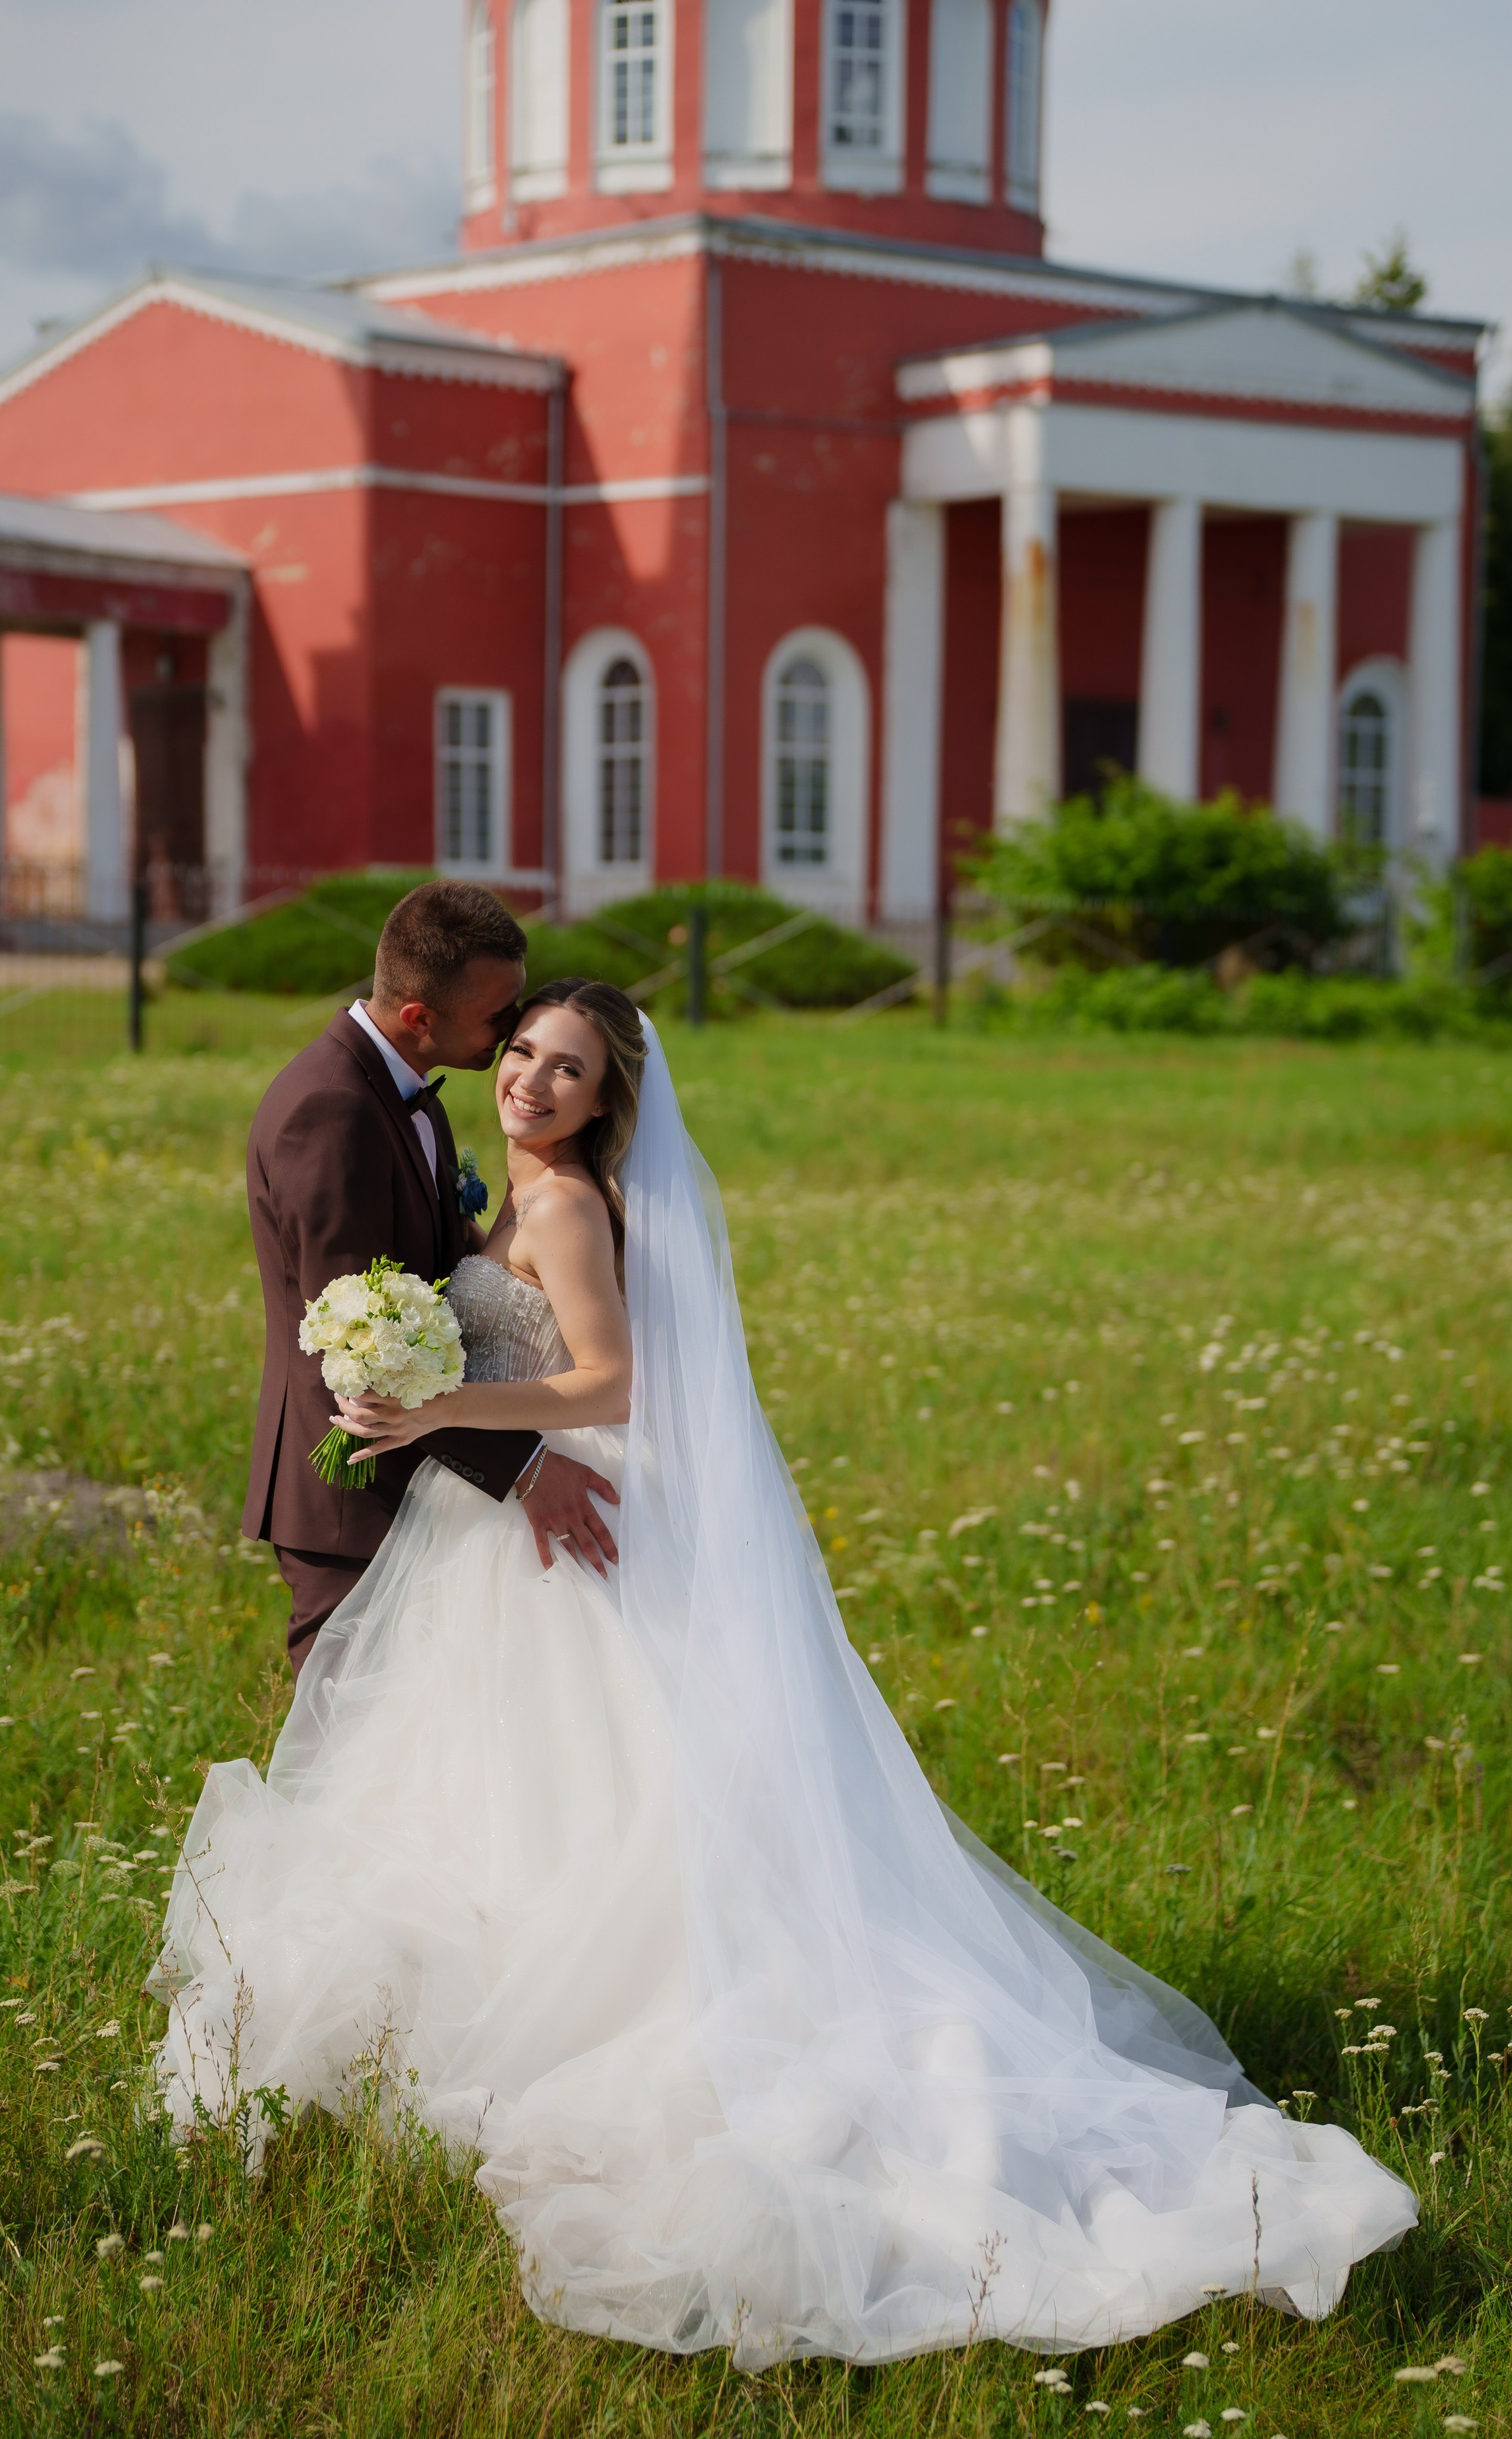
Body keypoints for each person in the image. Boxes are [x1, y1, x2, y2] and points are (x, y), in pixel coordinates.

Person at [156, 980, 1415, 2368]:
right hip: (495, 1534)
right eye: (521, 1052)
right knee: (499, 1789)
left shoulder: (566, 1206)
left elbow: (610, 1384)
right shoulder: (511, 1192)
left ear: (603, 1102)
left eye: (566, 1072)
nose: (530, 1082)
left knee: (581, 1806)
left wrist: (442, 1403)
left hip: (548, 1528)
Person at [241, 880, 619, 1677]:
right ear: (420, 1017)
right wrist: (527, 1466)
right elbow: (361, 1346)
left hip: (435, 1484)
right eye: (501, 1022)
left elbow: (442, 1273)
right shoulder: (332, 1112)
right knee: (346, 1749)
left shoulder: (411, 1094)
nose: (511, 1036)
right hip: (357, 1493)